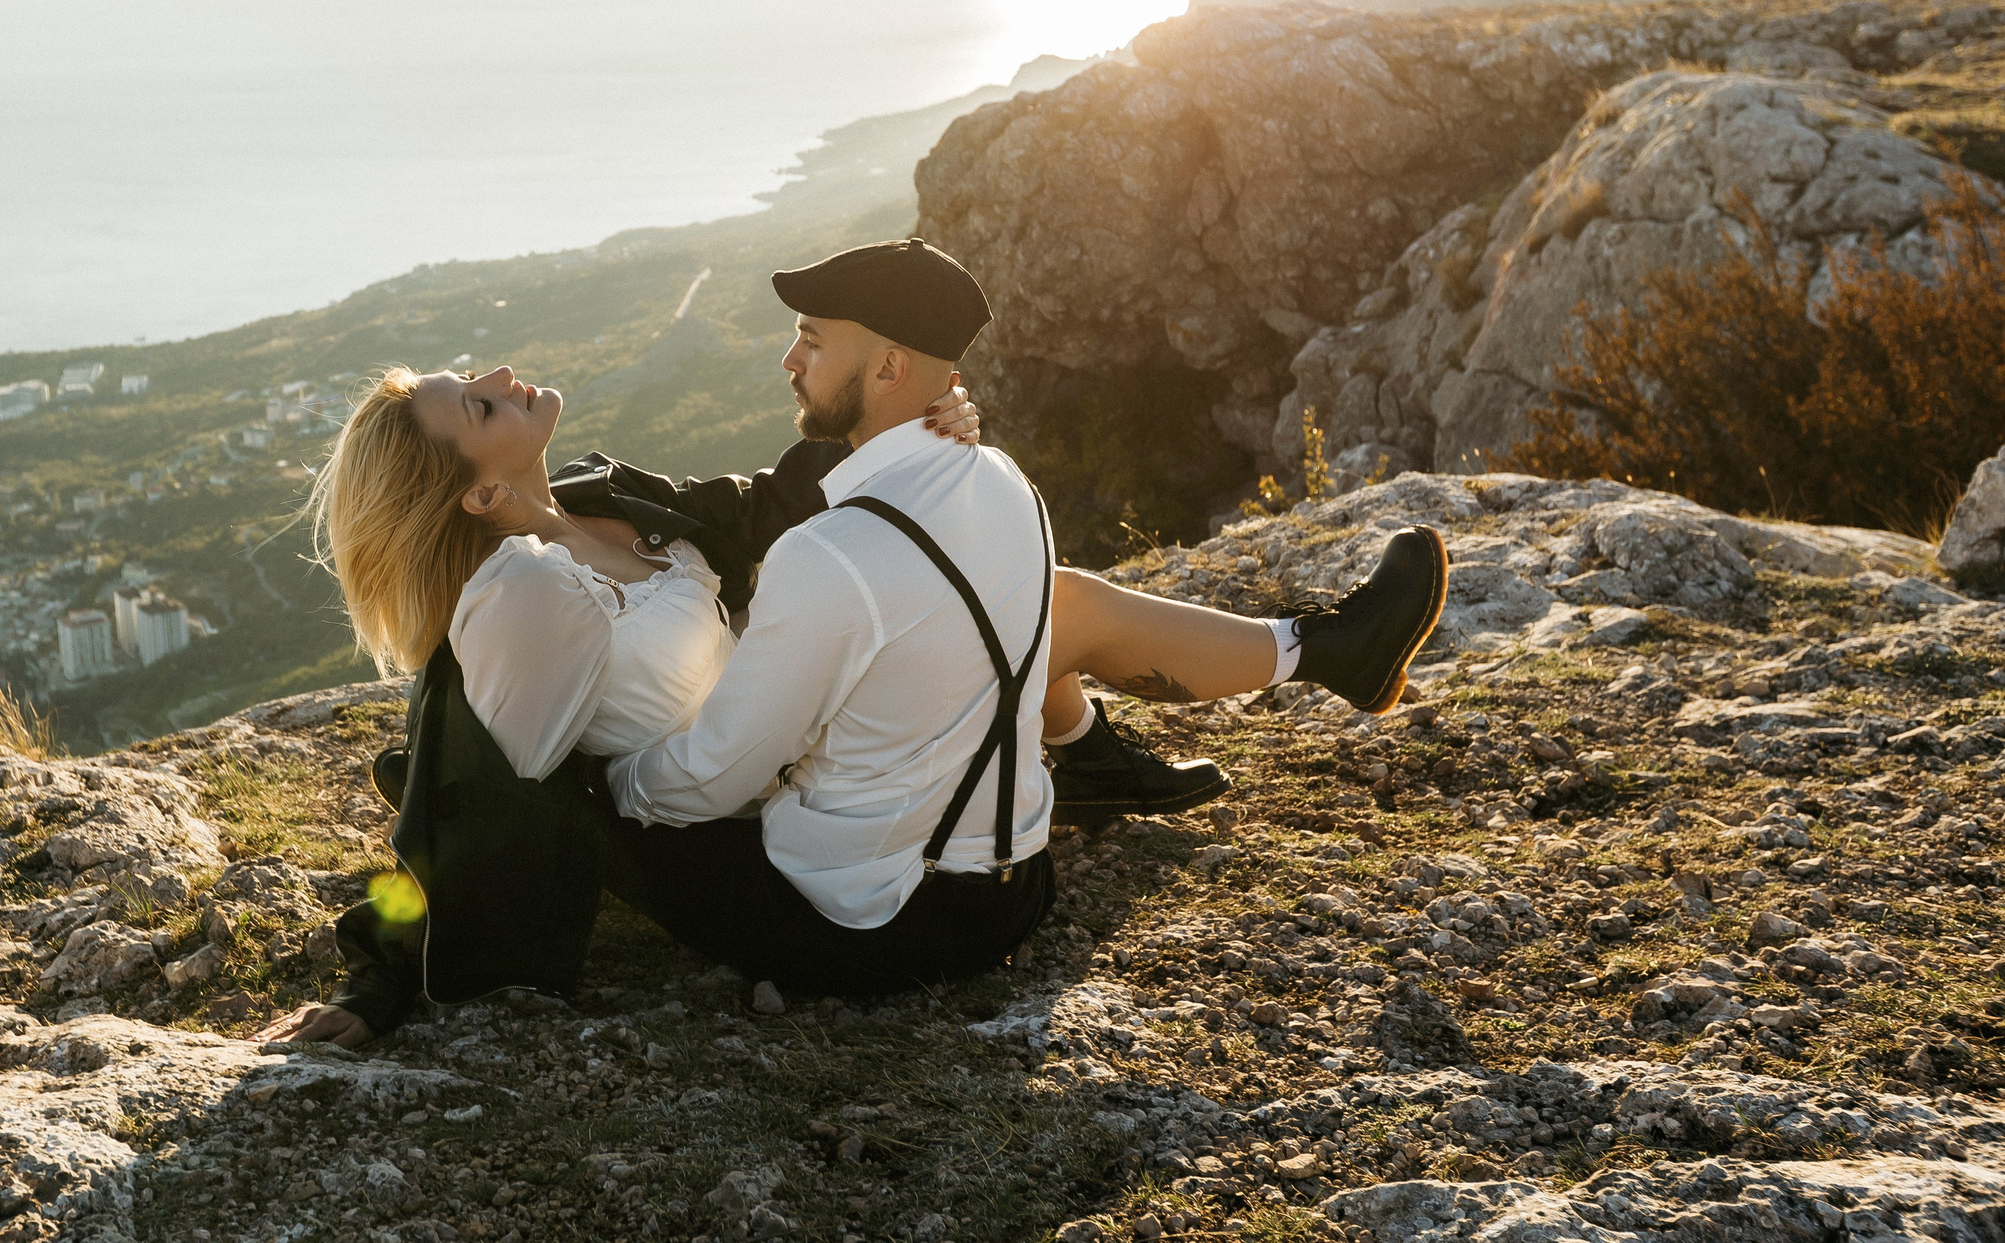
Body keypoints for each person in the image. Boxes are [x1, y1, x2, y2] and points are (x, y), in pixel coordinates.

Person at [260, 238, 1448, 1044]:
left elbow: (761, 502)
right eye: (474, 402)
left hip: (790, 726)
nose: (499, 375)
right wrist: (380, 976)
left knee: (1045, 592)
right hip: (743, 807)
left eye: (471, 377)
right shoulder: (519, 596)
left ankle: (1286, 668)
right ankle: (1159, 721)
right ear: (472, 497)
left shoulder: (597, 504)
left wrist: (928, 441)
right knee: (1015, 604)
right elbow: (460, 795)